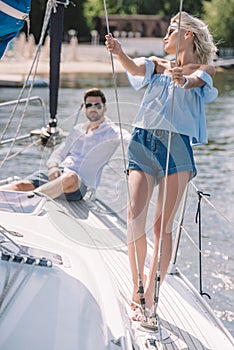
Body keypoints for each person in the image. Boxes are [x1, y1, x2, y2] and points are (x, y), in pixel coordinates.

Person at [105, 11, 218, 320]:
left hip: (177, 149)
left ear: (188, 35)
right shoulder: (157, 64)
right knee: (134, 215)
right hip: (143, 142)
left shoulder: (203, 69)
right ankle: (137, 288)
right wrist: (120, 53)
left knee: (161, 226)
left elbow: (194, 81)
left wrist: (183, 79)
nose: (165, 36)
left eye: (171, 30)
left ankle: (153, 294)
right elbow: (135, 67)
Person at [1, 88, 129, 200]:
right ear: (84, 108)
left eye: (98, 105)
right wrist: (53, 167)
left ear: (105, 108)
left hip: (80, 185)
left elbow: (129, 139)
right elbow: (59, 152)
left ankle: (32, 199)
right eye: (89, 105)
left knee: (71, 177)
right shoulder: (77, 130)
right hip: (59, 174)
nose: (93, 108)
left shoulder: (112, 132)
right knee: (21, 185)